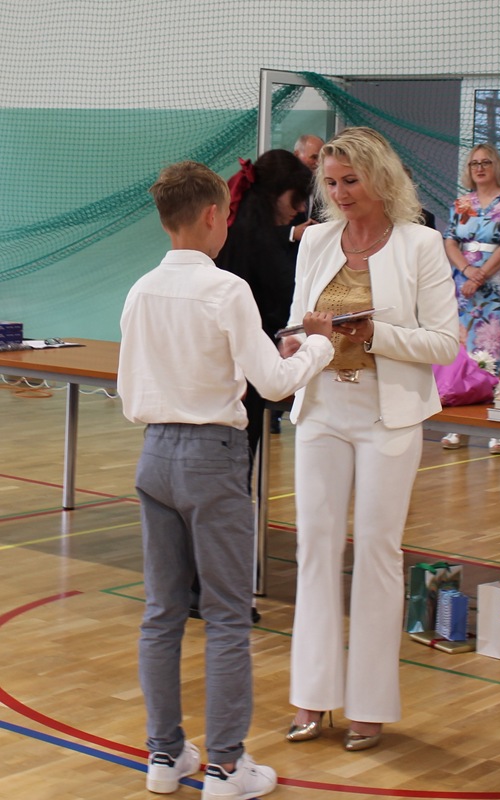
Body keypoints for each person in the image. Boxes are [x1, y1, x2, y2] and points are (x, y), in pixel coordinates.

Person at [117, 160, 334, 800]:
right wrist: (318, 348)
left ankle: (165, 756)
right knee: (227, 618)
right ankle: (226, 767)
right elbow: (273, 383)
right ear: (214, 215)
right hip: (211, 459)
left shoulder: (140, 290)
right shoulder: (226, 289)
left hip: (154, 455)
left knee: (161, 614)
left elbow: (132, 392)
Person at [280, 127, 459, 751]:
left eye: (350, 181)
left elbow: (445, 344)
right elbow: (300, 322)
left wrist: (372, 335)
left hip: (389, 416)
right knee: (315, 549)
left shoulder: (421, 244)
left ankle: (370, 707)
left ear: (381, 178)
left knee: (379, 554)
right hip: (322, 408)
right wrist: (295, 342)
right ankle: (311, 697)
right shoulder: (315, 241)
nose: (339, 194)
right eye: (330, 183)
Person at [216, 149, 313, 452]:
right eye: (296, 198)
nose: (300, 208)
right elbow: (276, 307)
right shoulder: (257, 242)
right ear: (275, 193)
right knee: (235, 459)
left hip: (227, 365)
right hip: (245, 368)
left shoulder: (235, 231)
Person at [441, 143, 500, 455]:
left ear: (496, 166)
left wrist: (479, 276)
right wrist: (466, 271)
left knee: (497, 349)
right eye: (474, 163)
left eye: (486, 162)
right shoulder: (462, 203)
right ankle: (459, 427)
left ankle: (498, 428)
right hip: (463, 284)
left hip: (496, 286)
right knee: (463, 351)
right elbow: (450, 241)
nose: (479, 168)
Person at [293, 133, 325, 222]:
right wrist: (293, 229)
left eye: (322, 158)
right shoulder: (281, 182)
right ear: (296, 155)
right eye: (314, 157)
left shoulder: (325, 185)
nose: (319, 163)